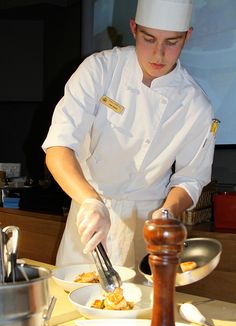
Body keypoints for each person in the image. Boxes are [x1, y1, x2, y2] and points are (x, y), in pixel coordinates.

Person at [42, 0, 216, 270]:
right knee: (75, 298)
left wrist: (168, 212)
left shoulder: (195, 104)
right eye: (149, 39)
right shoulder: (99, 70)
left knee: (141, 306)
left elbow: (191, 177)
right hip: (89, 213)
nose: (158, 54)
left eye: (172, 42)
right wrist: (90, 202)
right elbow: (59, 147)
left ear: (187, 37)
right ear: (134, 29)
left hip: (147, 225)